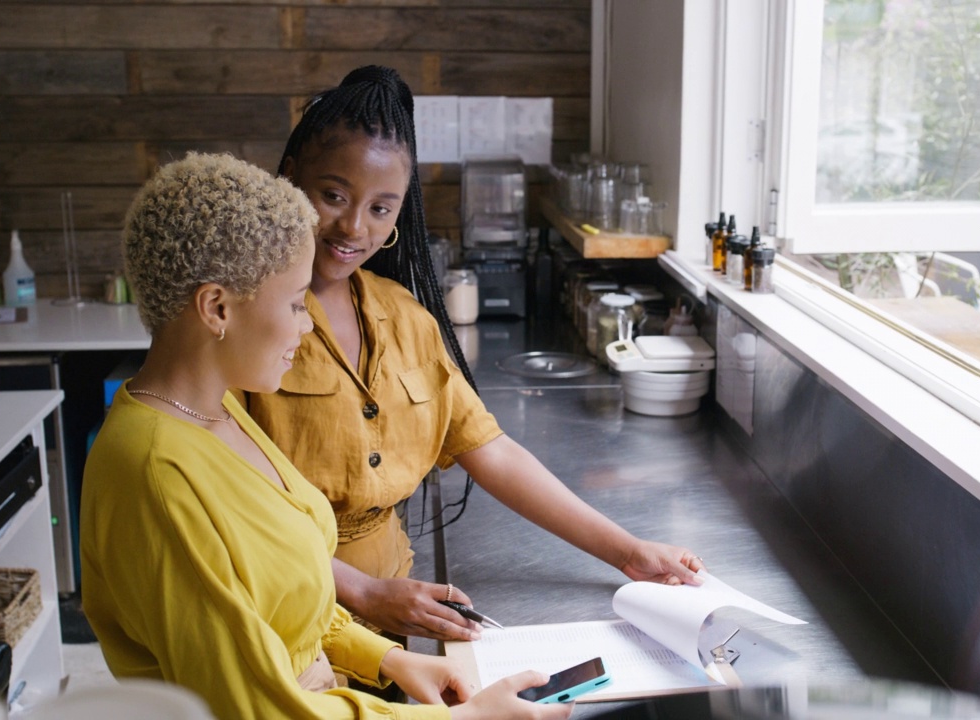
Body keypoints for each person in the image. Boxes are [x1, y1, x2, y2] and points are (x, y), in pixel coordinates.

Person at [80, 152, 571, 720]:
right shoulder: (154, 475)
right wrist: (470, 719)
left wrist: (387, 659)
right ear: (217, 307)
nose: (308, 324)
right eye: (294, 304)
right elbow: (259, 707)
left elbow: (286, 596)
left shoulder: (213, 415)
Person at [244, 65, 705, 643]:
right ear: (290, 178)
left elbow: (491, 452)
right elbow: (226, 511)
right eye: (333, 195)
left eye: (381, 208)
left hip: (393, 613)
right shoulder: (241, 318)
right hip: (280, 615)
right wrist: (360, 592)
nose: (354, 226)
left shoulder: (405, 317)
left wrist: (628, 552)